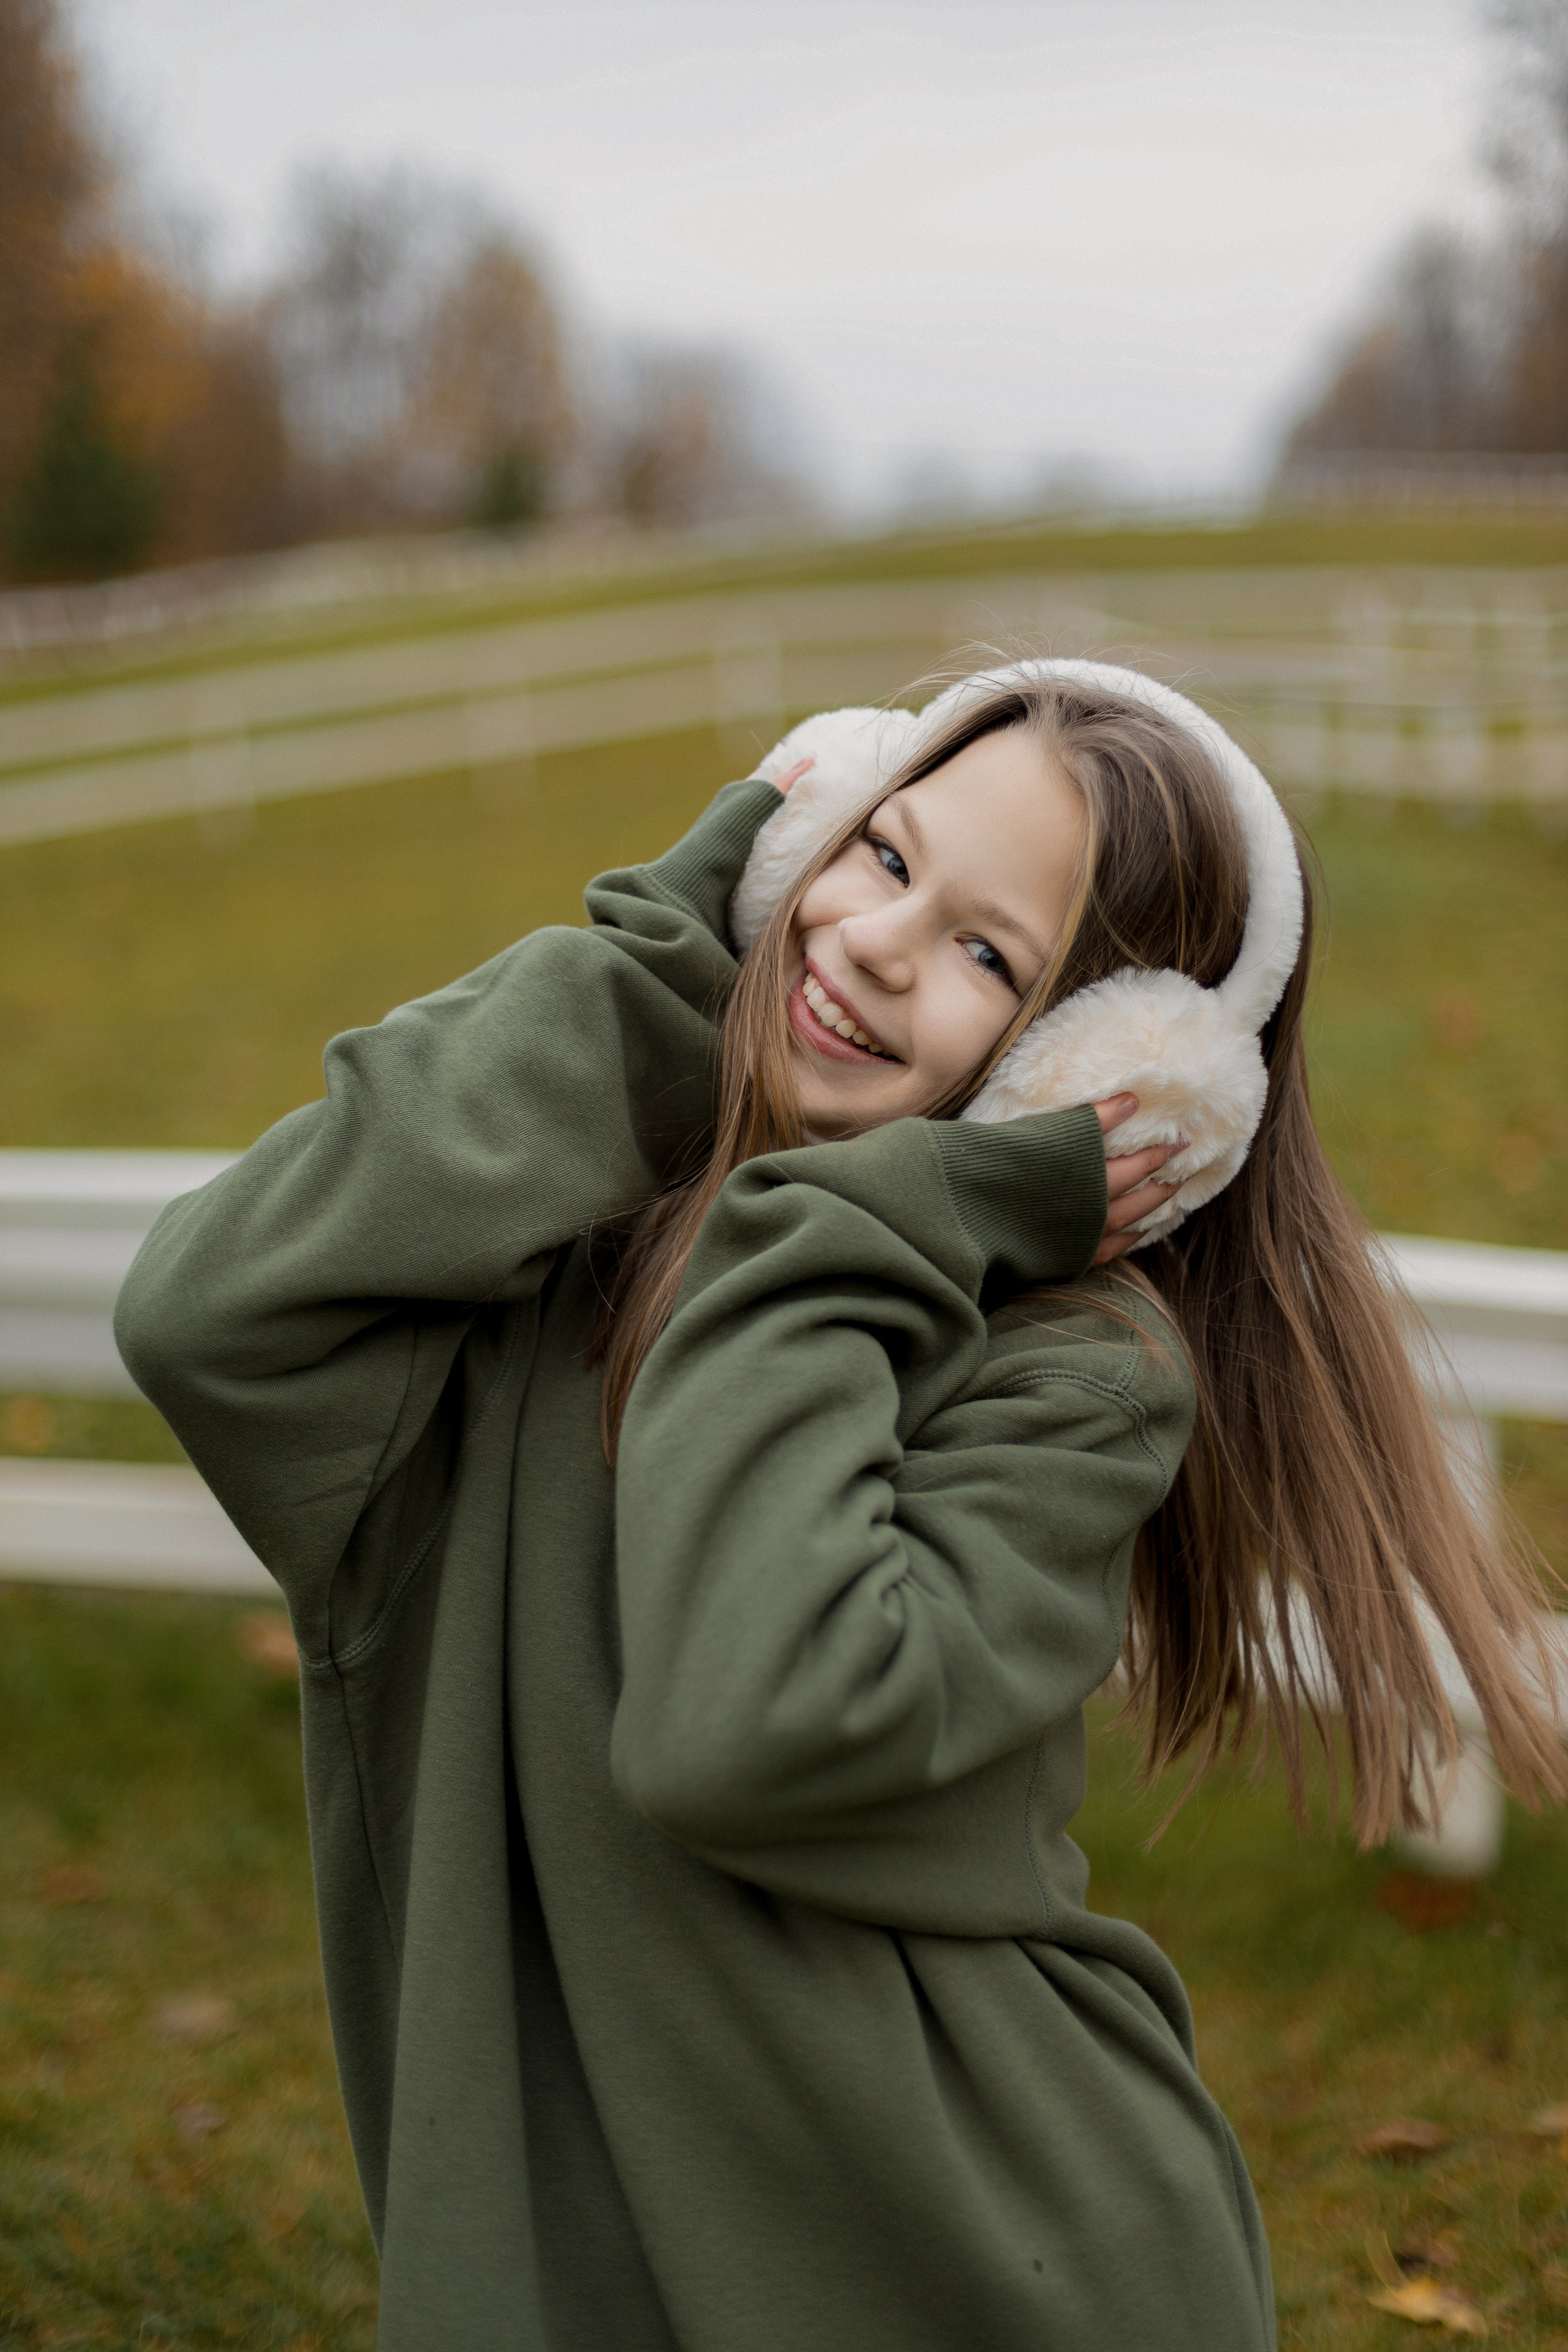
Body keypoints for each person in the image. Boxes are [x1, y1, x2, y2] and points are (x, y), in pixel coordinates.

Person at [115, 658, 1564, 2352]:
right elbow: (208, 1310)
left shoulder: (1073, 1376)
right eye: (882, 852)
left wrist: (863, 1225)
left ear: (1092, 1071)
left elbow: (740, 1728)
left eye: (988, 954)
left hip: (982, 2261)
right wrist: (673, 957)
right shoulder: (535, 1260)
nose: (876, 941)